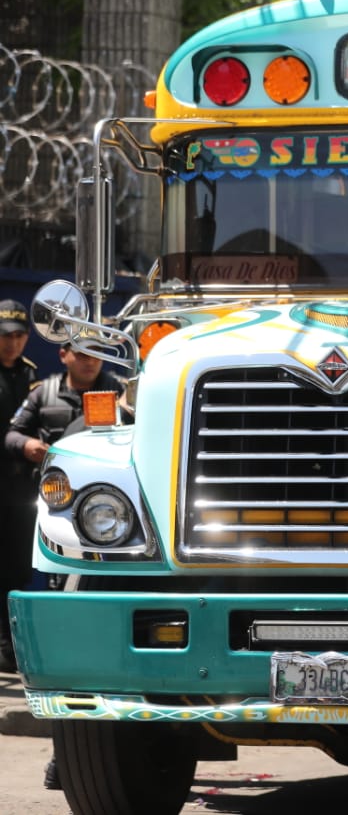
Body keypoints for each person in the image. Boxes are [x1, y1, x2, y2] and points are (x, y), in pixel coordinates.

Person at [5, 340, 126, 791]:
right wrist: (31, 444)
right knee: (66, 643)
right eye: (82, 351)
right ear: (65, 355)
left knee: (94, 643)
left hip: (112, 533)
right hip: (57, 527)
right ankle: (69, 758)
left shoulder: (123, 393)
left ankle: (78, 758)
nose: (91, 359)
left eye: (98, 352)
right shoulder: (44, 392)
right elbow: (12, 434)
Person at [0, 299, 39, 674]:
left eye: (17, 335)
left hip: (18, 490)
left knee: (16, 568)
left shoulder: (31, 376)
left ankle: (9, 649)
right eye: (5, 336)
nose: (11, 343)